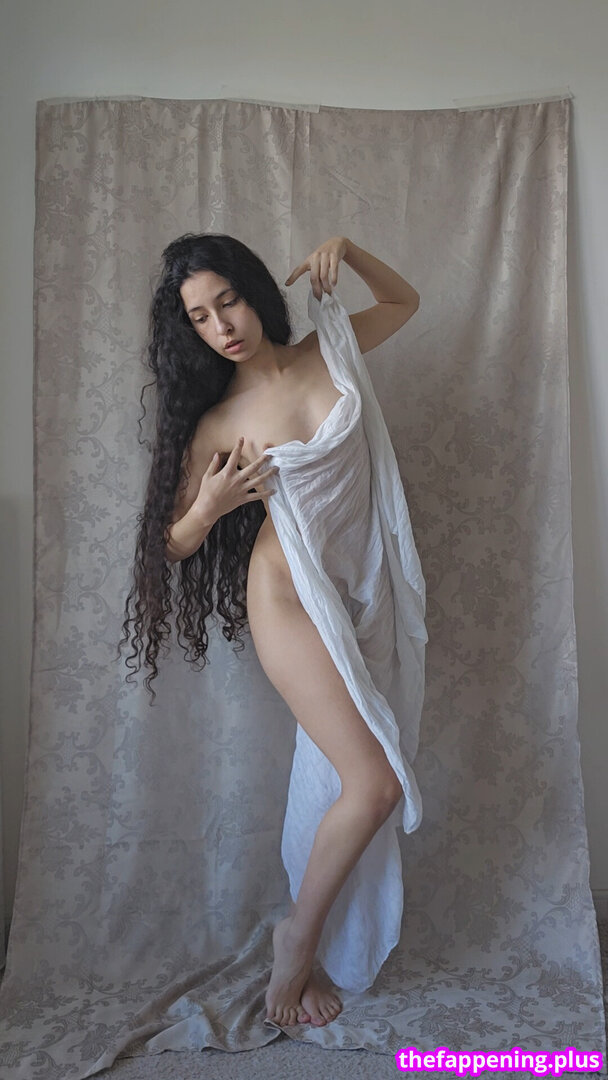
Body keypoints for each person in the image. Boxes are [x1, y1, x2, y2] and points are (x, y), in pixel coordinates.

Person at [120, 232, 421, 1029]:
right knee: (375, 783)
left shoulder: (332, 349)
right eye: (199, 317)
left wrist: (351, 250)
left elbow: (404, 302)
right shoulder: (219, 421)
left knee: (352, 779)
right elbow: (168, 545)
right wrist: (209, 508)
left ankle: (316, 933)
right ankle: (296, 942)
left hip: (359, 587)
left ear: (255, 293)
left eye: (228, 301)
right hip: (286, 597)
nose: (221, 326)